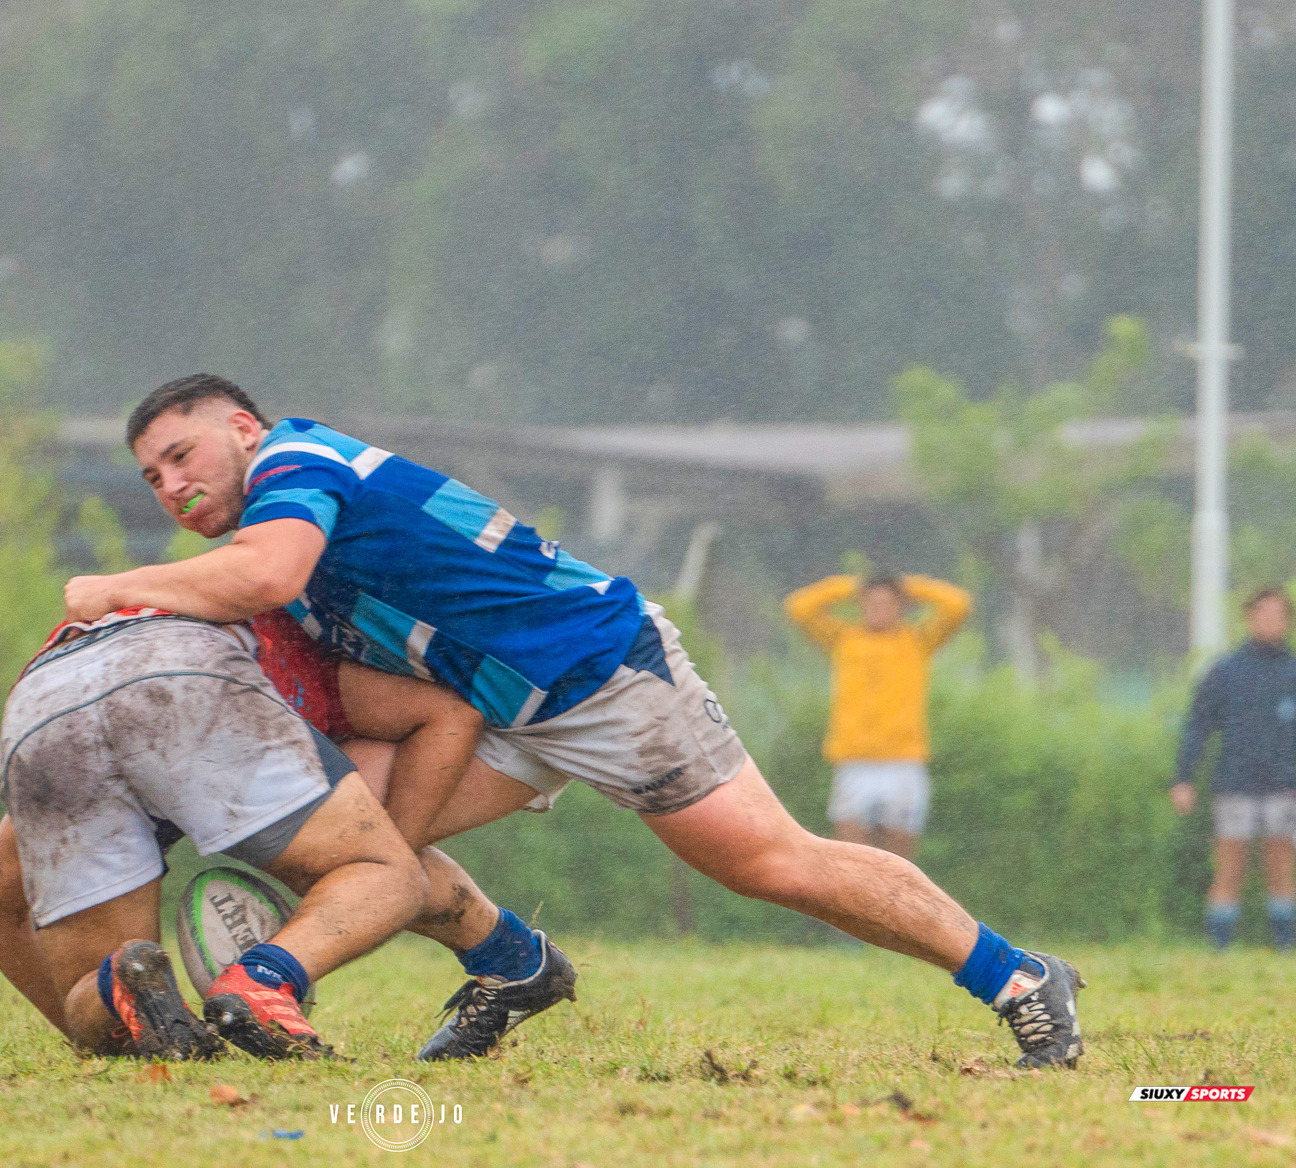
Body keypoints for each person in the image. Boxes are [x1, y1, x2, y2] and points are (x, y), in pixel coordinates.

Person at [57, 373, 1089, 1068]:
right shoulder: (267, 520)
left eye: (182, 453)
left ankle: (1022, 976)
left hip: (597, 671)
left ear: (242, 427)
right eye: (153, 475)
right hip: (492, 699)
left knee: (774, 862)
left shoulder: (295, 469)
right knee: (343, 838)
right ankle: (511, 963)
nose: (172, 483)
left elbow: (267, 573)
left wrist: (118, 588)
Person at [0, 607, 577, 1059]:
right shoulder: (301, 639)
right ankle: (265, 983)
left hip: (46, 695)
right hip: (183, 671)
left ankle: (117, 997)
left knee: (102, 974)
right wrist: (387, 863)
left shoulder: (193, 603)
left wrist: (94, 1041)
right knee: (374, 868)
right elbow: (448, 715)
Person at [783, 572, 972, 860]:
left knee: (900, 859)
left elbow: (958, 604)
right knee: (853, 855)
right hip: (853, 761)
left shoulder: (916, 641)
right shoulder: (844, 639)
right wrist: (852, 585)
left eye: (887, 603)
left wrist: (909, 585)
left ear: (900, 606)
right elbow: (799, 607)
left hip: (903, 762)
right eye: (872, 603)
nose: (879, 610)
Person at [1172, 586, 1296, 951]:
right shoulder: (1226, 671)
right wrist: (1183, 776)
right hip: (1236, 784)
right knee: (1229, 864)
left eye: (1278, 615)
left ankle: (1284, 945)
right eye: (1264, 614)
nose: (1271, 622)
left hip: (1284, 785)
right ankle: (1220, 946)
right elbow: (1198, 724)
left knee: (1281, 864)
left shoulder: (1292, 671)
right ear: (1250, 618)